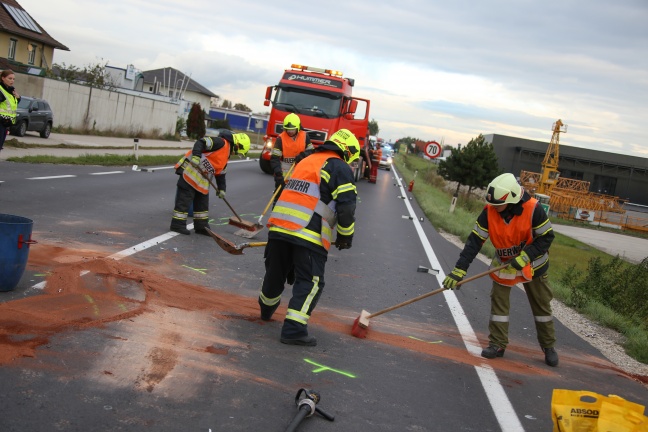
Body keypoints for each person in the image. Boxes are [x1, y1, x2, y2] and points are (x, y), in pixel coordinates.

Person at [442, 173, 559, 367]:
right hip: (505, 263)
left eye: (498, 205)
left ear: (512, 199)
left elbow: (547, 238)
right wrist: (459, 270)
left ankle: (548, 346)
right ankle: (497, 344)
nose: (494, 208)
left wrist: (525, 257)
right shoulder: (489, 211)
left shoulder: (534, 209)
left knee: (542, 308)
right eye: (492, 204)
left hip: (534, 264)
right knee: (499, 305)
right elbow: (474, 242)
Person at [258, 128, 359, 346]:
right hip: (308, 232)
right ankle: (293, 330)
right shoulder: (339, 166)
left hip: (279, 227)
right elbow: (347, 208)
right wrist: (345, 237)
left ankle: (266, 310)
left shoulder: (308, 160)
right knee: (311, 281)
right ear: (348, 151)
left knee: (275, 273)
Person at [170, 129, 250, 235]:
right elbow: (200, 142)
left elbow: (221, 174)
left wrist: (222, 189)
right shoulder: (220, 142)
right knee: (184, 201)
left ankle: (201, 227)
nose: (235, 154)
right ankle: (177, 225)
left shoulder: (226, 156)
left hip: (201, 180)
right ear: (237, 145)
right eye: (238, 152)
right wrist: (196, 157)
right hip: (190, 172)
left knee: (202, 205)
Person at [270, 113, 314, 195]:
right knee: (279, 196)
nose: (290, 132)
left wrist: (303, 155)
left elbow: (311, 151)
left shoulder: (305, 136)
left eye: (292, 129)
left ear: (298, 128)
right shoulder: (280, 139)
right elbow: (274, 158)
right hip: (284, 176)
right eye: (287, 129)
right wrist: (278, 174)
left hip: (300, 175)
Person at [0, 69, 20, 152]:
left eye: (13, 79)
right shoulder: (1, 90)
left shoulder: (11, 90)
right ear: (3, 78)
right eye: (10, 78)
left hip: (6, 123)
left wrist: (18, 98)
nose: (12, 81)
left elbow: (12, 105)